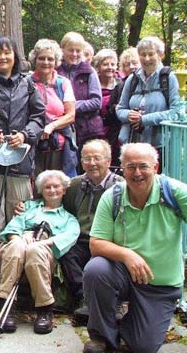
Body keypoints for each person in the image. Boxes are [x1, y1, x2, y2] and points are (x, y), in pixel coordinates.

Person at [83, 143, 187, 353]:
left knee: (143, 347)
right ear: (121, 168)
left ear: (155, 167)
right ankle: (101, 336)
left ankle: (128, 323)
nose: (137, 173)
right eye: (130, 167)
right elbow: (96, 244)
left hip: (160, 284)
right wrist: (127, 254)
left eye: (143, 166)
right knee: (96, 270)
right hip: (123, 274)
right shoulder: (113, 196)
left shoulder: (174, 193)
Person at [0, 36, 45, 255]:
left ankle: (16, 253)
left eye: (7, 52)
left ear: (15, 56)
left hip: (20, 158)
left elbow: (39, 117)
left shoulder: (28, 83)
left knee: (18, 207)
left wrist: (25, 135)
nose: (3, 57)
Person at [0, 170, 79, 334]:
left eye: (56, 186)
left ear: (64, 190)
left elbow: (67, 238)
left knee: (35, 250)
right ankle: (7, 306)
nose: (52, 190)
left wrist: (42, 242)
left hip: (43, 253)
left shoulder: (69, 218)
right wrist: (19, 239)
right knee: (16, 246)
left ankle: (44, 309)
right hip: (15, 248)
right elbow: (12, 228)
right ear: (41, 190)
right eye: (47, 187)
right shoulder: (28, 207)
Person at [58, 139, 123, 324]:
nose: (92, 163)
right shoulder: (75, 185)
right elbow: (51, 201)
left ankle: (113, 302)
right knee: (65, 251)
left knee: (107, 263)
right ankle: (84, 298)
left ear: (108, 161)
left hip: (108, 241)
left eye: (97, 158)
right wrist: (25, 206)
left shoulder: (120, 187)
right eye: (87, 158)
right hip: (80, 240)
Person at [116, 36, 181, 157]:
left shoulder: (168, 78)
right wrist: (129, 115)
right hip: (132, 145)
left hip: (160, 146)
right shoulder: (133, 79)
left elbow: (177, 112)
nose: (146, 59)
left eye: (151, 54)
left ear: (160, 55)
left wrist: (144, 120)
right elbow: (120, 109)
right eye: (143, 54)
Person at [27, 39, 76, 176]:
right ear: (34, 60)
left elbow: (71, 115)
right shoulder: (25, 82)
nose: (46, 62)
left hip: (58, 146)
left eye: (50, 59)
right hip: (33, 144)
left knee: (57, 185)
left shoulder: (63, 83)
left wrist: (51, 126)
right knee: (34, 187)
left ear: (56, 61)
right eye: (41, 58)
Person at [57, 32, 102, 148]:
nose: (74, 54)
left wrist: (71, 106)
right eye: (71, 50)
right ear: (62, 50)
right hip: (62, 129)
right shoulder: (55, 71)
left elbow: (97, 102)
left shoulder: (89, 72)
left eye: (78, 51)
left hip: (88, 129)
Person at [93, 49, 121, 156]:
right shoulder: (92, 85)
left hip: (115, 131)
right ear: (98, 67)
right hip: (97, 130)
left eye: (112, 64)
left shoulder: (121, 85)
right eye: (105, 64)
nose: (110, 67)